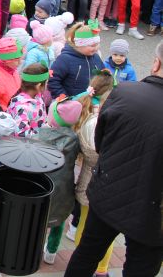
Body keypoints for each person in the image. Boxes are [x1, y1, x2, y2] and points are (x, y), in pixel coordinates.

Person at [65, 40, 163, 277]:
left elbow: (100, 142)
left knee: (87, 254)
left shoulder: (125, 92)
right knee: (140, 269)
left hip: (110, 192)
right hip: (153, 211)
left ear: (156, 63)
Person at [70, 70, 116, 277]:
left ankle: (81, 262)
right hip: (104, 183)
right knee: (104, 234)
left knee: (84, 225)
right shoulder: (102, 121)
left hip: (85, 179)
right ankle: (101, 270)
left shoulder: (86, 115)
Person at [34, 99, 81, 265]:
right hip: (64, 187)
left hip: (42, 184)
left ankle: (34, 250)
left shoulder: (41, 135)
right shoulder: (75, 139)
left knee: (38, 219)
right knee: (59, 220)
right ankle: (51, 252)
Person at [49, 23, 105, 99]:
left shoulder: (96, 57)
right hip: (71, 102)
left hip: (91, 100)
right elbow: (53, 80)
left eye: (97, 44)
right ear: (79, 44)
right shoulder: (65, 59)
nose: (96, 48)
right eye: (92, 45)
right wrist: (64, 98)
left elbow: (103, 75)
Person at [8, 63, 49, 137]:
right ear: (38, 86)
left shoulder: (38, 96)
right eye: (46, 82)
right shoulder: (21, 107)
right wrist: (43, 136)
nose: (47, 85)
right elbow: (21, 134)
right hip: (30, 143)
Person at [0, 37, 23, 110]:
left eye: (20, 58)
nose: (20, 62)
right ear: (6, 60)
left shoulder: (13, 70)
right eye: (16, 60)